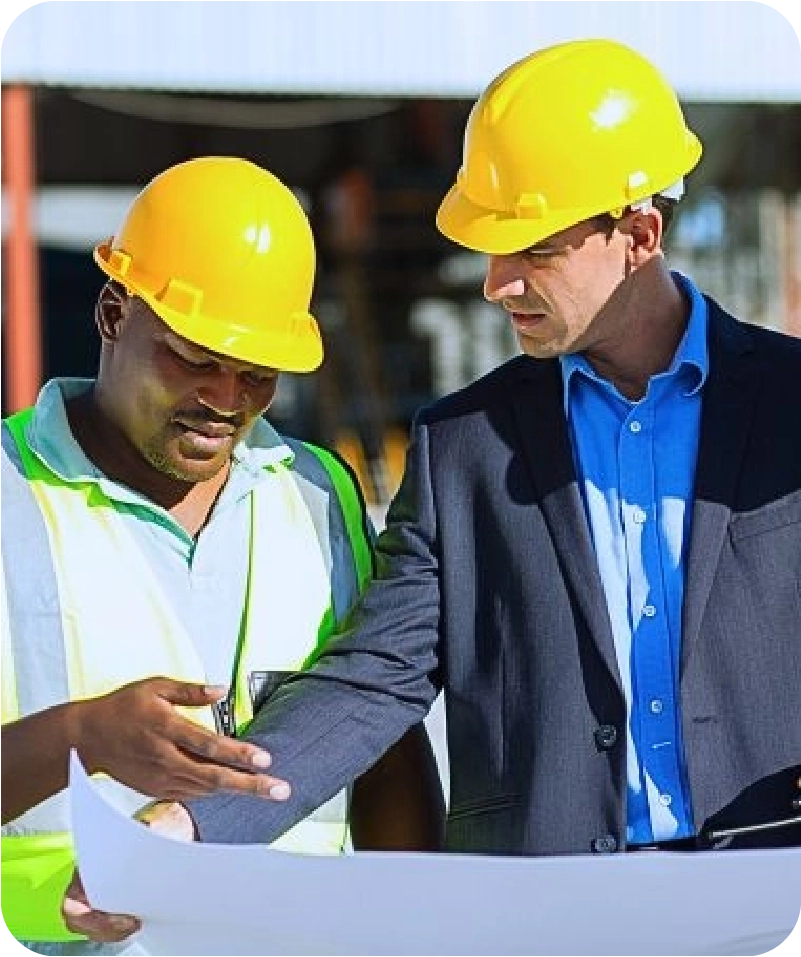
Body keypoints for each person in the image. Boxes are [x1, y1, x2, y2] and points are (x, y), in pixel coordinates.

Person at [72, 34, 801, 941]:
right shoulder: (463, 445)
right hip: (545, 921)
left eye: (526, 250)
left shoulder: (789, 408)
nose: (496, 285)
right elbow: (371, 680)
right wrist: (191, 824)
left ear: (637, 236)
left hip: (774, 893)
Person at [0, 155, 444, 955]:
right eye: (194, 358)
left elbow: (383, 747)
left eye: (256, 374)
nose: (225, 400)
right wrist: (82, 736)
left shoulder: (318, 493)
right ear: (112, 312)